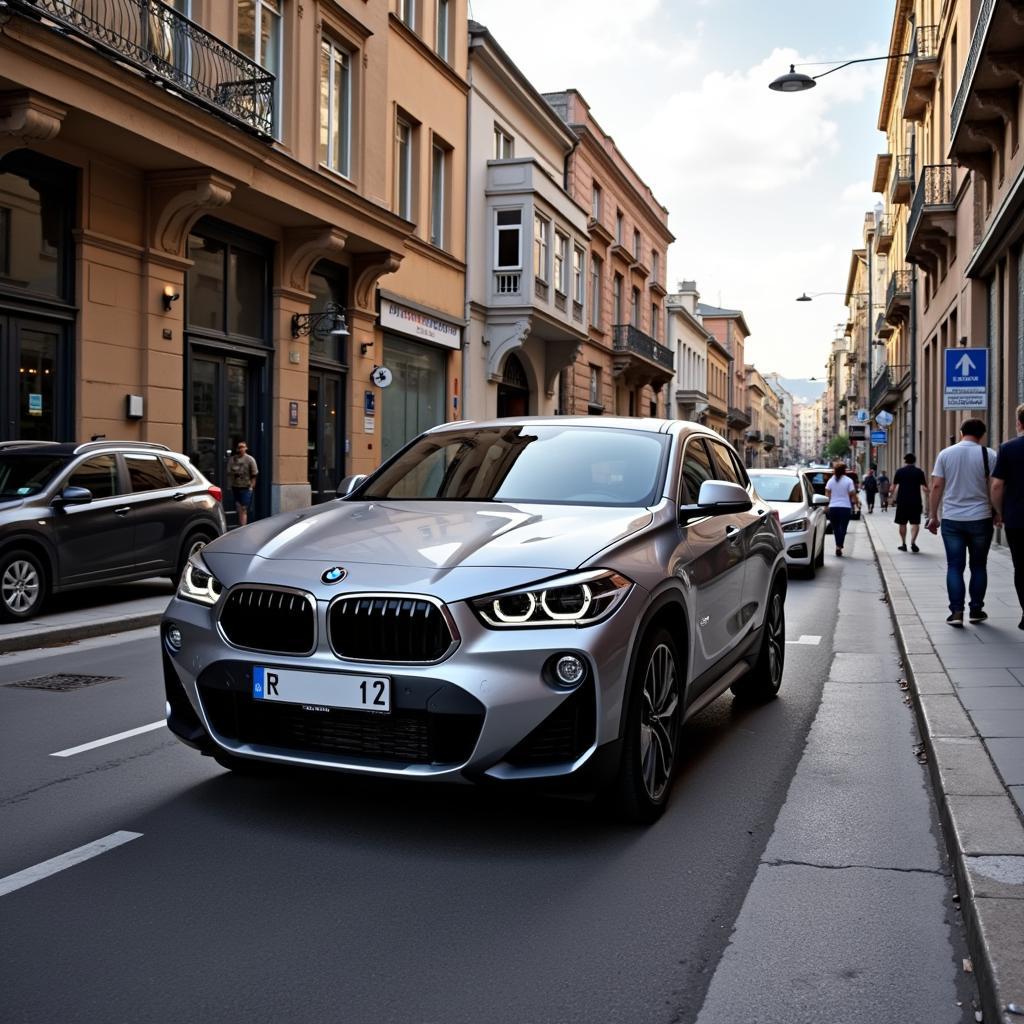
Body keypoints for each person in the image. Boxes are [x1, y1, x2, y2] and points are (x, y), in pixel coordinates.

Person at [926, 419, 997, 627]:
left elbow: (937, 486)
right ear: (982, 435)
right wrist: (998, 512)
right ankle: (976, 610)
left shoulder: (945, 454)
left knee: (955, 566)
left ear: (960, 432)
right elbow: (995, 487)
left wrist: (933, 515)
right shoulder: (989, 454)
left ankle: (956, 612)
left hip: (952, 519)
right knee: (978, 566)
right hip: (981, 518)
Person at [991, 404, 1024, 629]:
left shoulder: (1008, 448)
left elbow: (997, 486)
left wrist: (1000, 512)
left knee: (1021, 567)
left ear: (1019, 423)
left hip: (1017, 519)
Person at [891, 452, 928, 552]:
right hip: (915, 501)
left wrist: (891, 498)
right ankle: (913, 542)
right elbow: (925, 488)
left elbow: (893, 487)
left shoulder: (899, 471)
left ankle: (903, 544)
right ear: (914, 461)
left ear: (905, 460)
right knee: (915, 523)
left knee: (902, 523)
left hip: (902, 502)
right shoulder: (919, 472)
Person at [825, 461, 859, 557]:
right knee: (843, 528)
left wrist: (826, 505)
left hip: (833, 508)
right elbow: (853, 494)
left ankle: (838, 546)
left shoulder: (830, 481)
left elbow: (827, 494)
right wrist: (857, 504)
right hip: (845, 508)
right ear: (844, 471)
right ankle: (839, 546)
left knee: (836, 529)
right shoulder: (848, 481)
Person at [228, 440, 258, 527]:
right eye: (239, 447)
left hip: (246, 487)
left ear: (246, 448)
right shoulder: (233, 459)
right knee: (238, 507)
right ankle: (240, 525)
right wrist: (230, 484)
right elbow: (229, 473)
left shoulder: (250, 459)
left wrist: (251, 487)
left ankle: (243, 527)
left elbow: (254, 474)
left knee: (244, 508)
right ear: (237, 449)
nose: (241, 449)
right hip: (236, 487)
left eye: (243, 447)